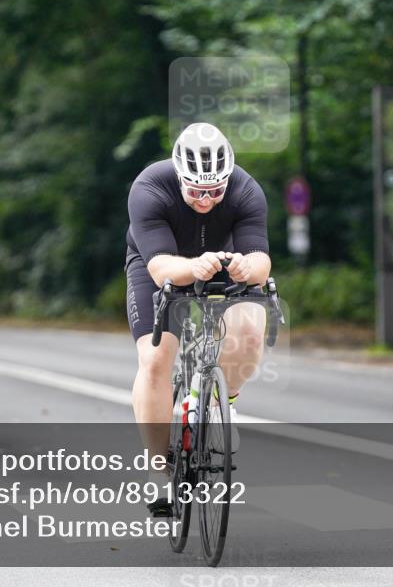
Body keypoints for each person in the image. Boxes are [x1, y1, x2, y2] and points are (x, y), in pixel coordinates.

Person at [124, 122, 271, 516]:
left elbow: (261, 260)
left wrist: (247, 266)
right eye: (195, 191)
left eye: (215, 191)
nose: (206, 199)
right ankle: (158, 469)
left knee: (250, 331)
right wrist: (192, 266)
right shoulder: (150, 187)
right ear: (179, 176)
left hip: (222, 262)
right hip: (159, 263)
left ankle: (221, 400)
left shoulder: (245, 189)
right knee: (155, 358)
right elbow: (160, 269)